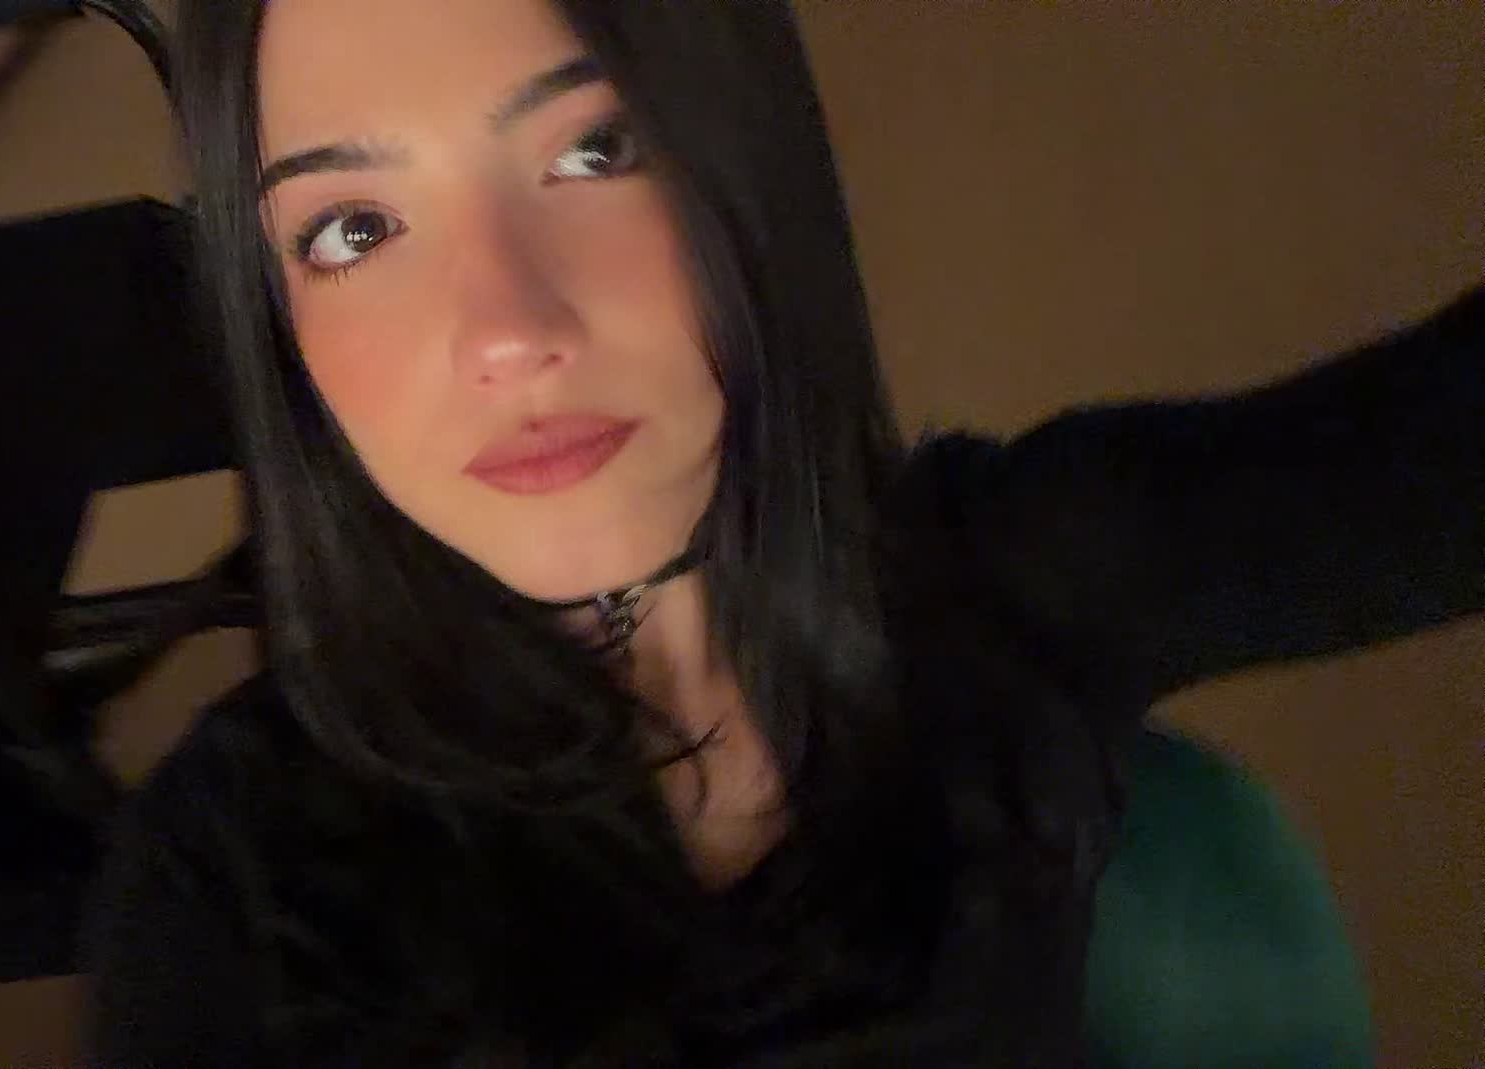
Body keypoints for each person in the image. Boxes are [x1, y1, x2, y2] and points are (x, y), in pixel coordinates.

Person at [86, 0, 1484, 1063]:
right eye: (352, 230)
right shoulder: (224, 886)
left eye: (594, 148)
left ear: (744, 163)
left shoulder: (1012, 581)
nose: (506, 331)